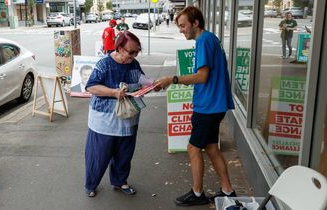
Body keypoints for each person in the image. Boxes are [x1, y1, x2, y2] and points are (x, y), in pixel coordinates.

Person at [154, 6, 236, 206]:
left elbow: (202, 76)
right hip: (213, 104)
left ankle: (197, 194)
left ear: (195, 23)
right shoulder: (208, 39)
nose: (181, 30)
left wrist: (171, 79)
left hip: (209, 106)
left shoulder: (204, 41)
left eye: (183, 26)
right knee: (211, 148)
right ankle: (228, 191)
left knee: (193, 147)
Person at [84, 31, 146, 197]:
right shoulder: (104, 64)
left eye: (137, 51)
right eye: (131, 52)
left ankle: (120, 181)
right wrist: (113, 92)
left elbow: (141, 79)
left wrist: (153, 84)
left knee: (124, 154)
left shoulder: (134, 64)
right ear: (119, 48)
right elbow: (91, 86)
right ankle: (91, 184)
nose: (134, 55)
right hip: (104, 120)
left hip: (128, 118)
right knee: (99, 155)